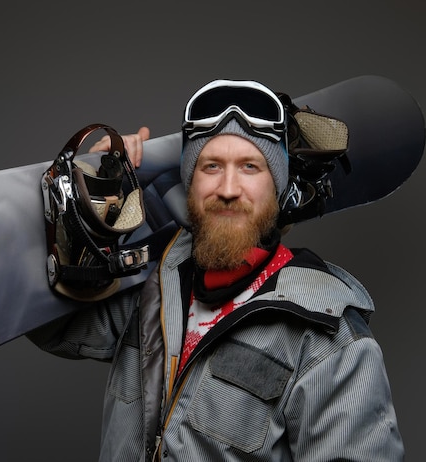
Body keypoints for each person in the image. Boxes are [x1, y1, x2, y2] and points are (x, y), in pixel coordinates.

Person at [28, 79, 404, 461]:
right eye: (211, 166)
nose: (228, 188)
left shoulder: (328, 340)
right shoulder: (154, 285)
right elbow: (51, 327)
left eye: (249, 167)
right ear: (190, 186)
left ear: (276, 188)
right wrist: (95, 200)